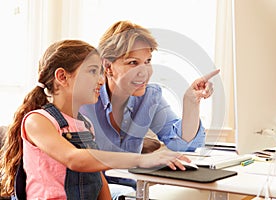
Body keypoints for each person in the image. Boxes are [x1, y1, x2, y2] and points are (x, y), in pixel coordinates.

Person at [0, 39, 190, 200]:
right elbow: (75, 159)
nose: (101, 80)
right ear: (62, 77)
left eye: (100, 72)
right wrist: (141, 160)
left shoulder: (85, 125)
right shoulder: (38, 121)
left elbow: (97, 177)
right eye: (92, 71)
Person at [80, 20, 220, 199]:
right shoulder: (84, 100)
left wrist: (191, 103)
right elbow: (78, 163)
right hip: (91, 190)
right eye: (132, 63)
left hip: (133, 189)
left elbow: (184, 144)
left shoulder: (149, 97)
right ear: (108, 67)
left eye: (147, 61)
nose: (144, 71)